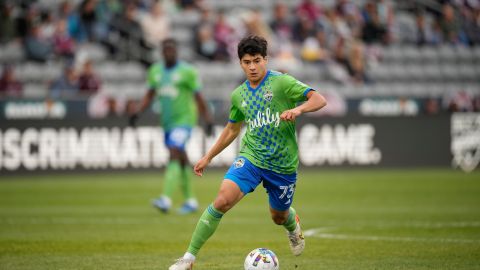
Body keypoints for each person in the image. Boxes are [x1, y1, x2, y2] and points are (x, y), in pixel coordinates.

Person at [168, 35, 327, 270]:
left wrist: (298, 109)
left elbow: (319, 99)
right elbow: (233, 128)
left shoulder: (282, 83)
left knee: (278, 217)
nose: (252, 67)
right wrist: (208, 156)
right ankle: (188, 259)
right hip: (251, 157)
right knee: (222, 200)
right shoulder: (239, 95)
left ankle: (292, 224)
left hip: (282, 165)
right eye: (246, 62)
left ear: (265, 59)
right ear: (240, 63)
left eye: (256, 60)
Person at [129, 38, 213, 214]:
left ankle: (165, 198)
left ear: (176, 51)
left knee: (174, 151)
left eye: (172, 49)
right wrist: (137, 112)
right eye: (166, 50)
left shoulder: (187, 72)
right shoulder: (155, 71)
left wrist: (208, 119)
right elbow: (149, 94)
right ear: (162, 52)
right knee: (181, 159)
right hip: (167, 123)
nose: (169, 52)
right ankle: (190, 201)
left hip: (184, 120)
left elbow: (199, 97)